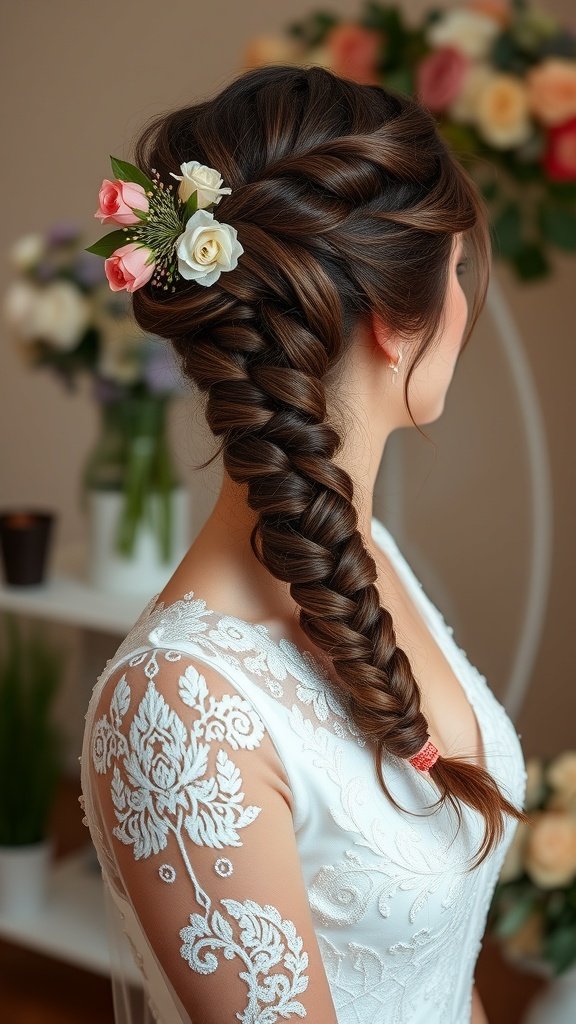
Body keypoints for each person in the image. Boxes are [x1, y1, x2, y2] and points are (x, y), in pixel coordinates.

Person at [80, 64, 530, 1024]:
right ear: (389, 326)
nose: (463, 307)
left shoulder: (363, 553)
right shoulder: (177, 717)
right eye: (455, 274)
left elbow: (443, 958)